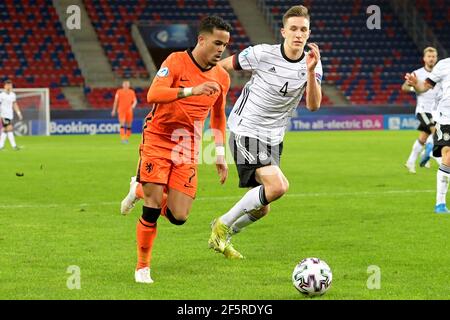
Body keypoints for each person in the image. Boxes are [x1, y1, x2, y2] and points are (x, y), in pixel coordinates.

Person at [207, 5, 323, 259]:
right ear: (283, 31)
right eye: (293, 29)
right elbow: (222, 66)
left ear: (308, 32)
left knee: (262, 207)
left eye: (303, 29)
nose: (298, 34)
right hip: (246, 128)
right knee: (278, 185)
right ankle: (221, 224)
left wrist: (312, 71)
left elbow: (314, 105)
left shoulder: (312, 63)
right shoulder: (262, 54)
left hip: (273, 137)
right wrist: (210, 90)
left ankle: (222, 235)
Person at [129, 16, 232, 283]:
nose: (221, 49)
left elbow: (218, 116)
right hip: (159, 137)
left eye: (225, 45)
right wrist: (191, 90)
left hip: (187, 146)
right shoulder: (175, 61)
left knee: (179, 216)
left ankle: (138, 188)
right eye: (217, 43)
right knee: (152, 207)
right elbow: (154, 94)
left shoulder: (222, 76)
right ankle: (142, 267)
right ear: (202, 39)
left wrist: (220, 153)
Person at [405, 57, 450, 213]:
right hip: (446, 118)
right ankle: (440, 203)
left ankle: (429, 150)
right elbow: (423, 87)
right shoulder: (444, 65)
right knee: (448, 156)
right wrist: (415, 84)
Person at [401, 47, 440, 173]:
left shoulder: (439, 73)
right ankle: (433, 156)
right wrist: (415, 89)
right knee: (436, 132)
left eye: (433, 56)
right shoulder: (417, 73)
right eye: (429, 56)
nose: (431, 59)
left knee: (423, 138)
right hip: (423, 110)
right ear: (424, 58)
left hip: (436, 111)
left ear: (436, 58)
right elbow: (404, 87)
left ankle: (410, 162)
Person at [0, 80, 23, 150]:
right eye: (8, 85)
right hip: (3, 115)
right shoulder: (1, 95)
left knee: (5, 130)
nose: (9, 86)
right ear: (5, 86)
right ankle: (14, 146)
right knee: (10, 128)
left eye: (10, 85)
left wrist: (19, 113)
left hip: (10, 115)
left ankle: (1, 146)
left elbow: (14, 104)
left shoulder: (13, 95)